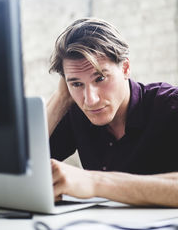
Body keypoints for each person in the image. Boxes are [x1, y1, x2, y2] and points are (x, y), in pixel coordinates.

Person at [47, 17, 178, 207]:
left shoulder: (170, 106)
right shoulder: (76, 111)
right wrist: (60, 98)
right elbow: (15, 168)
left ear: (125, 68)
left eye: (100, 78)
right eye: (76, 83)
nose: (90, 100)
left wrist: (94, 182)